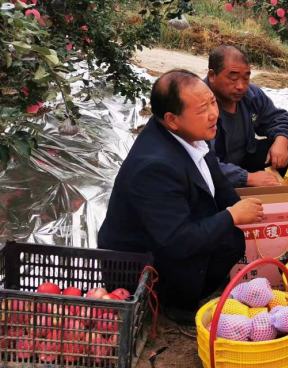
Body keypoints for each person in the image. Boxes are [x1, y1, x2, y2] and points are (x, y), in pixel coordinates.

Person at [98, 69, 264, 325]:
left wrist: (242, 208)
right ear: (172, 119)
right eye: (202, 110)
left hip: (171, 238)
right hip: (144, 265)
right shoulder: (154, 167)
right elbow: (176, 241)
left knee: (229, 235)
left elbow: (219, 185)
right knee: (225, 231)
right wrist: (232, 215)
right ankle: (174, 305)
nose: (213, 114)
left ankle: (194, 292)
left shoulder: (192, 134)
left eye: (212, 102)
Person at [206, 45, 288, 187]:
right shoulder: (198, 103)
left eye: (246, 78)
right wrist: (247, 178)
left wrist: (282, 140)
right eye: (233, 78)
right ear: (212, 76)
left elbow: (278, 119)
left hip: (242, 161)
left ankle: (267, 198)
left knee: (278, 149)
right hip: (213, 174)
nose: (241, 86)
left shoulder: (251, 95)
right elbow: (201, 162)